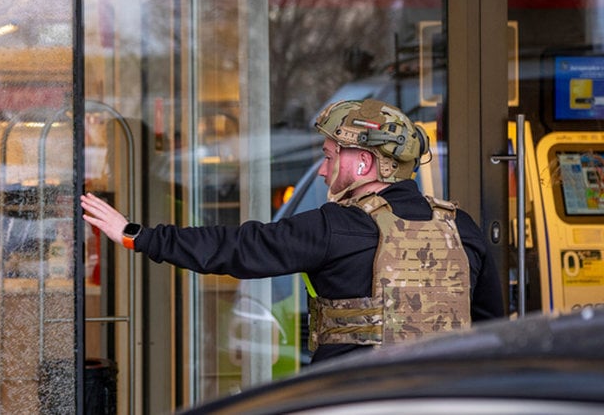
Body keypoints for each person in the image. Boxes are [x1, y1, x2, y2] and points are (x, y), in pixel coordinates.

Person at [81, 98, 505, 362]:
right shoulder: (460, 227)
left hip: (352, 399)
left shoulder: (336, 227)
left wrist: (137, 235)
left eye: (330, 156)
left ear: (364, 163)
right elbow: (491, 329)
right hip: (442, 396)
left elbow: (238, 248)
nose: (322, 170)